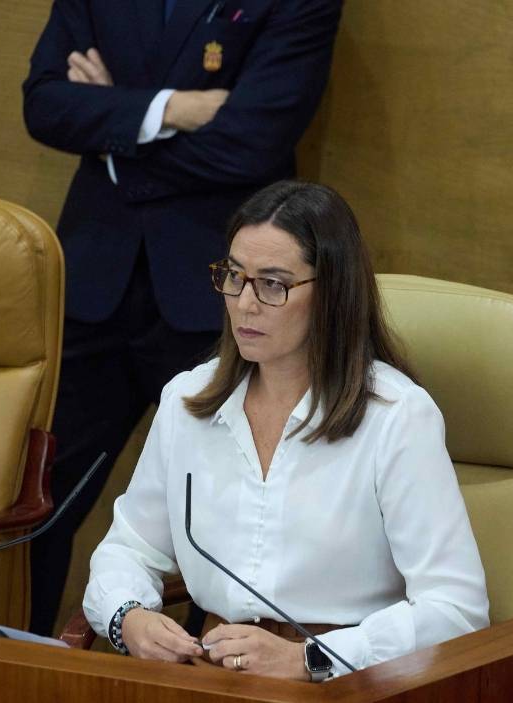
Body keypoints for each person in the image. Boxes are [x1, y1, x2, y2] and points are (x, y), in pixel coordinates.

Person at [21, 0, 344, 634]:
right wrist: (172, 108)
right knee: (36, 501)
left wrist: (113, 137)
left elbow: (253, 142)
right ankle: (12, 662)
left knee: (223, 512)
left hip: (223, 292)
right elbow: (47, 103)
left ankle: (205, 672)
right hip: (93, 283)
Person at [83, 181, 490, 681]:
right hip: (213, 674)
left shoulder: (396, 416)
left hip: (349, 684)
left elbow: (456, 611)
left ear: (332, 293)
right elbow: (128, 549)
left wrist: (309, 658)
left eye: (273, 285)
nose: (244, 304)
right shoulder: (188, 400)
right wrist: (129, 617)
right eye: (234, 276)